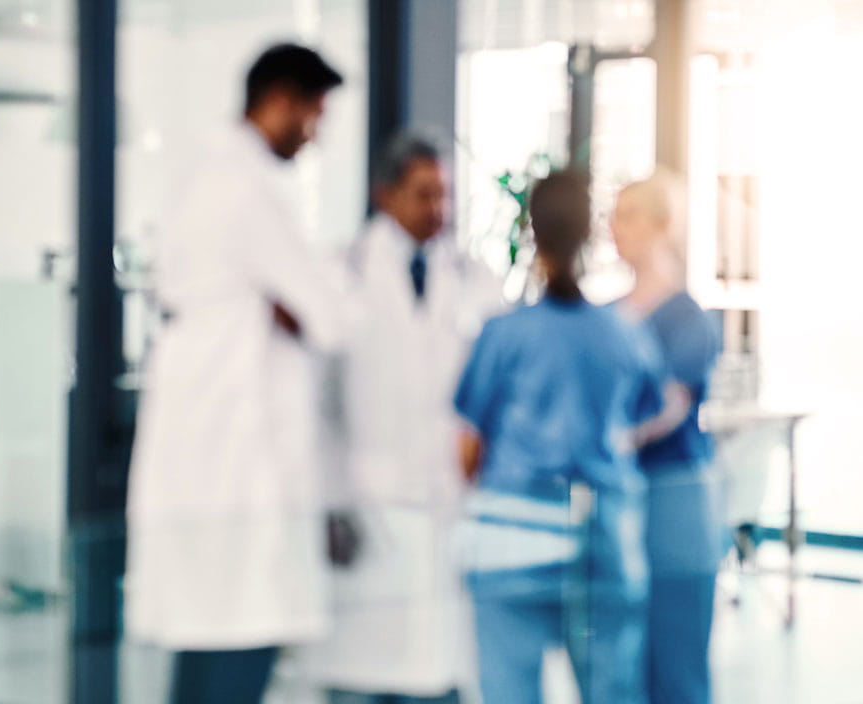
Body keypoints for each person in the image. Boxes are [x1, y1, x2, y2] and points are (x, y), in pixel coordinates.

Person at [127, 43, 348, 704]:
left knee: (206, 654)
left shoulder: (203, 181)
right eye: (314, 115)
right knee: (235, 650)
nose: (316, 134)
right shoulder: (246, 191)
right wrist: (292, 306)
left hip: (209, 468)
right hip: (236, 477)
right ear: (280, 101)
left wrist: (290, 306)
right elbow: (333, 316)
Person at [302, 132, 504, 703]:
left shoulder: (473, 277)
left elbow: (495, 389)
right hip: (365, 504)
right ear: (384, 195)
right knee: (361, 679)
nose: (438, 209)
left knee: (440, 673)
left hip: (446, 504)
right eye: (423, 195)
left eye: (444, 195)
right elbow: (316, 406)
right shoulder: (339, 272)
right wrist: (329, 502)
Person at [454, 171, 660, 704]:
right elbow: (643, 419)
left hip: (511, 535)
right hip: (601, 537)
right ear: (589, 236)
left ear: (532, 233)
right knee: (610, 691)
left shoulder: (504, 335)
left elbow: (469, 448)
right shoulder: (623, 334)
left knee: (509, 692)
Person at [611, 175, 723, 704]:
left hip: (675, 505)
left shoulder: (687, 319)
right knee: (624, 674)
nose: (615, 227)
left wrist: (601, 442)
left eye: (630, 215)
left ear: (663, 227)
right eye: (614, 214)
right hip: (619, 506)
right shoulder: (609, 314)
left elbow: (667, 411)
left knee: (676, 673)